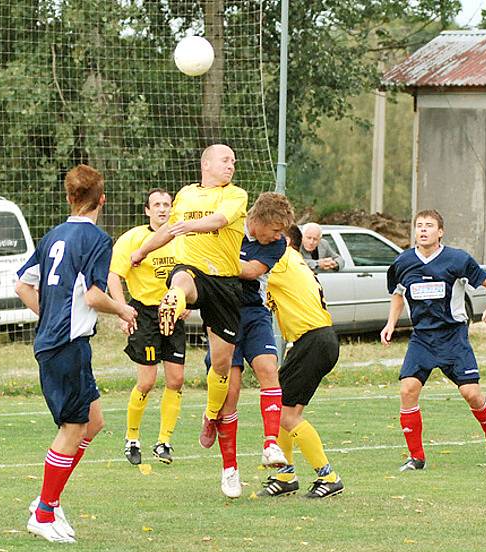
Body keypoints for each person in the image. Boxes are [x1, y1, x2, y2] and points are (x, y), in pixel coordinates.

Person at [15, 164, 138, 543]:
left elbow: (22, 285)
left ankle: (48, 501)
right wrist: (123, 309)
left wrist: (50, 315)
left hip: (64, 343)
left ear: (70, 198)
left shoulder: (53, 235)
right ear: (102, 200)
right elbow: (93, 295)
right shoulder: (98, 240)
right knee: (72, 427)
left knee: (93, 422)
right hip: (65, 345)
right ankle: (44, 511)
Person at [130, 144, 247, 450]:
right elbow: (169, 230)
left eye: (233, 162)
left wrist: (189, 225)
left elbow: (219, 221)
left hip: (224, 282)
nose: (231, 166)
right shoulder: (185, 194)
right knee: (181, 280)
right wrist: (142, 251)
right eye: (225, 160)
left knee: (221, 365)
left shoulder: (235, 195)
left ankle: (211, 415)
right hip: (193, 271)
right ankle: (174, 301)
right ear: (206, 164)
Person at [381, 209, 486, 472]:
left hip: (453, 337)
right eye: (419, 226)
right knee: (407, 390)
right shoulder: (403, 262)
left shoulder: (457, 259)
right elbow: (398, 293)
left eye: (429, 226)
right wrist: (391, 323)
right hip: (422, 339)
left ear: (440, 231)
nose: (423, 230)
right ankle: (416, 458)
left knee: (471, 393)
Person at [203, 192, 294, 498]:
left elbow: (251, 271)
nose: (279, 236)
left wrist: (218, 259)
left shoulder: (277, 245)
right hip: (221, 311)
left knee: (269, 369)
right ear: (258, 222)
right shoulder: (229, 226)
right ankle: (230, 469)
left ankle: (270, 443)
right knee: (231, 391)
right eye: (275, 229)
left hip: (254, 313)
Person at [256, 223, 344, 498]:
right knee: (280, 408)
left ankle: (328, 476)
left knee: (286, 415)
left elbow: (242, 268)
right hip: (313, 340)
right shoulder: (291, 262)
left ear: (283, 241)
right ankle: (285, 476)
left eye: (269, 236)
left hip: (314, 340)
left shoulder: (283, 259)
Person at [108, 188, 185, 466]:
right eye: (157, 205)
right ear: (147, 211)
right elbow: (114, 276)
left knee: (176, 380)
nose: (163, 209)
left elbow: (192, 274)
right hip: (145, 315)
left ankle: (164, 442)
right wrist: (121, 310)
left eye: (167, 204)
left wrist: (186, 301)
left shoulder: (182, 237)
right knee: (147, 381)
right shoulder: (132, 239)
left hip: (173, 313)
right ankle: (132, 439)